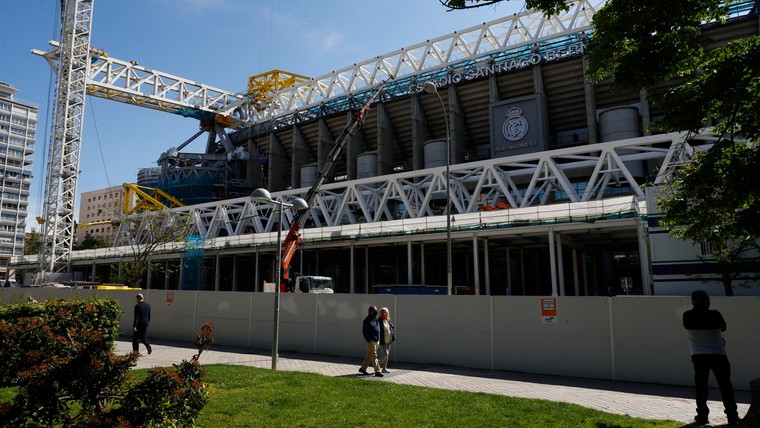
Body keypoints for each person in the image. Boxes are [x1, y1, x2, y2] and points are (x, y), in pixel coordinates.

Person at [682, 290, 739, 425]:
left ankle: (702, 416)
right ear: (706, 301)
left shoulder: (687, 316)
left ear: (692, 302)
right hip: (718, 354)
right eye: (708, 300)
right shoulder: (714, 314)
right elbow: (723, 328)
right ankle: (732, 415)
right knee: (725, 386)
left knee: (701, 387)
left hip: (698, 355)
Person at [359, 305, 383, 377]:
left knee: (370, 355)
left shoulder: (375, 319)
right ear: (370, 311)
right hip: (371, 341)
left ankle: (363, 369)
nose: (376, 311)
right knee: (374, 355)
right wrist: (369, 340)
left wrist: (378, 339)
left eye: (376, 310)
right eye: (374, 310)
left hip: (376, 340)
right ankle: (377, 371)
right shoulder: (367, 320)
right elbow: (365, 332)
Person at [377, 307, 395, 374]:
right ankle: (377, 366)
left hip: (389, 339)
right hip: (382, 340)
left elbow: (391, 328)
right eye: (383, 312)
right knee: (385, 353)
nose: (384, 314)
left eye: (386, 312)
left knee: (387, 355)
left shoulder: (388, 320)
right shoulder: (379, 320)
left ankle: (384, 368)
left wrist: (392, 326)